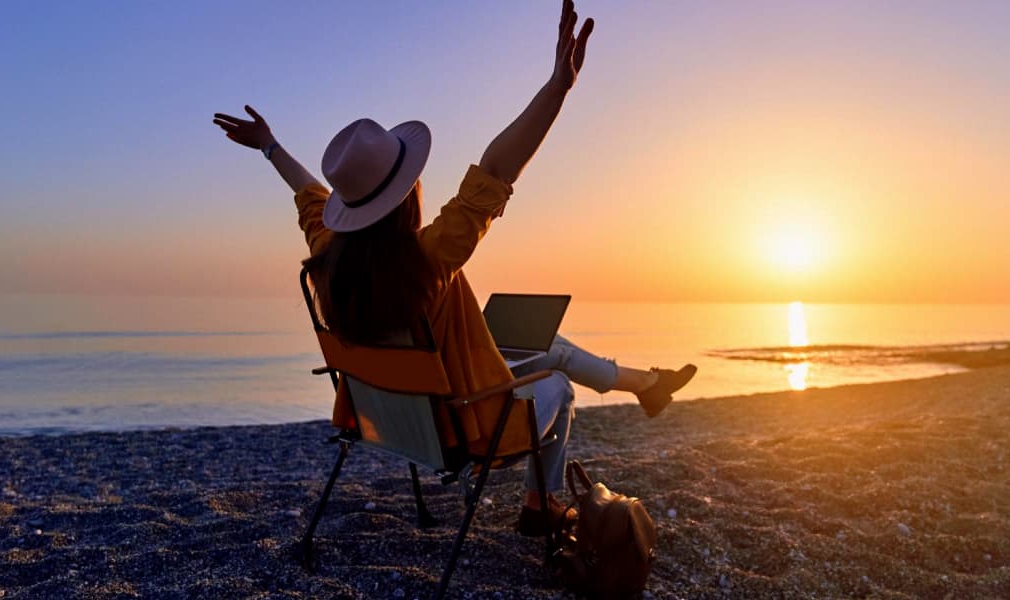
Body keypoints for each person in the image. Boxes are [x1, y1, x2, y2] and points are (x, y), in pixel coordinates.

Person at [213, 0, 694, 536]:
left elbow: (306, 193)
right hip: (462, 427)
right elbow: (495, 170)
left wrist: (270, 147)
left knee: (546, 347)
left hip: (391, 423)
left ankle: (646, 384)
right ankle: (542, 504)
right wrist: (558, 88)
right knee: (558, 381)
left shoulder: (326, 255)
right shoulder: (428, 259)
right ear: (406, 194)